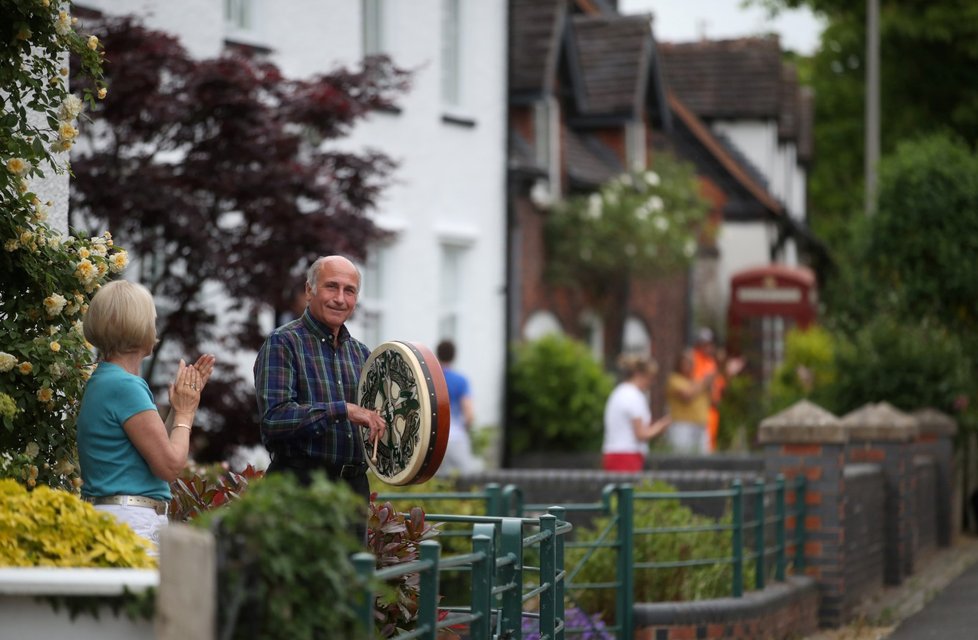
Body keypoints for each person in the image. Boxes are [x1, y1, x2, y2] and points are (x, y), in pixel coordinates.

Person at [77, 280, 216, 550]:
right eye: (152, 318)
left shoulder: (107, 380)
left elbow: (152, 450)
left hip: (114, 518)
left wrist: (178, 408)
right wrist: (186, 413)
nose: (155, 326)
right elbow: (169, 467)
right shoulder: (125, 386)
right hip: (130, 524)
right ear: (138, 325)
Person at [253, 255, 387, 537]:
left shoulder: (362, 354)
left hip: (352, 493)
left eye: (349, 291)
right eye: (331, 287)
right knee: (299, 582)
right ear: (309, 290)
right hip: (299, 490)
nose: (340, 298)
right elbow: (274, 420)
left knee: (349, 580)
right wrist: (343, 410)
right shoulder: (283, 343)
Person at [601, 353, 671, 472]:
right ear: (638, 375)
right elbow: (641, 434)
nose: (651, 383)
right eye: (650, 378)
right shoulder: (634, 397)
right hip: (627, 456)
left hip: (613, 453)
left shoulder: (619, 392)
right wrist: (660, 426)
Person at [436, 339, 483, 475]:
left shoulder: (432, 378)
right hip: (456, 436)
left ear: (437, 355)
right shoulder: (461, 380)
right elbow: (469, 414)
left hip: (436, 438)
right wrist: (465, 429)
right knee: (466, 479)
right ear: (454, 356)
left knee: (438, 482)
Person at [665, 349, 714, 454]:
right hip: (682, 425)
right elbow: (687, 395)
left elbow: (713, 399)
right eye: (686, 362)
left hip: (701, 425)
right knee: (682, 457)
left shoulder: (696, 381)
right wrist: (705, 382)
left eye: (691, 362)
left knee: (703, 459)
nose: (689, 365)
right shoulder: (674, 379)